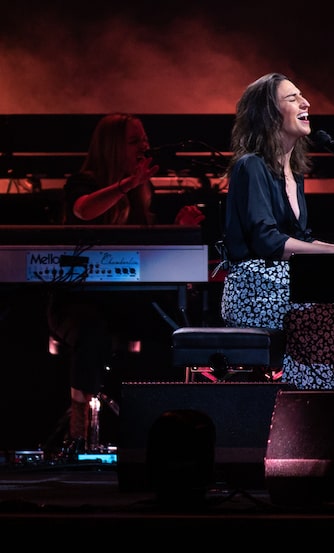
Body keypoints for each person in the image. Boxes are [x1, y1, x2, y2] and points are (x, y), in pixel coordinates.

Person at [46, 113, 205, 456]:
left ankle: (165, 430)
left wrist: (178, 230)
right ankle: (79, 432)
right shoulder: (84, 182)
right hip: (77, 302)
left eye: (145, 139)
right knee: (91, 334)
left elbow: (149, 256)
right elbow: (83, 211)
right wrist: (125, 186)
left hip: (125, 301)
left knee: (173, 331)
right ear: (112, 147)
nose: (145, 146)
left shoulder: (142, 195)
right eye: (136, 141)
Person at [220, 72, 334, 390]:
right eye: (292, 98)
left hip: (288, 284)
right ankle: (310, 404)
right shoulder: (250, 166)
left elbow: (303, 240)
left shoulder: (294, 172)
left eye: (302, 96)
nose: (306, 103)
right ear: (268, 112)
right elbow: (268, 242)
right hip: (255, 291)